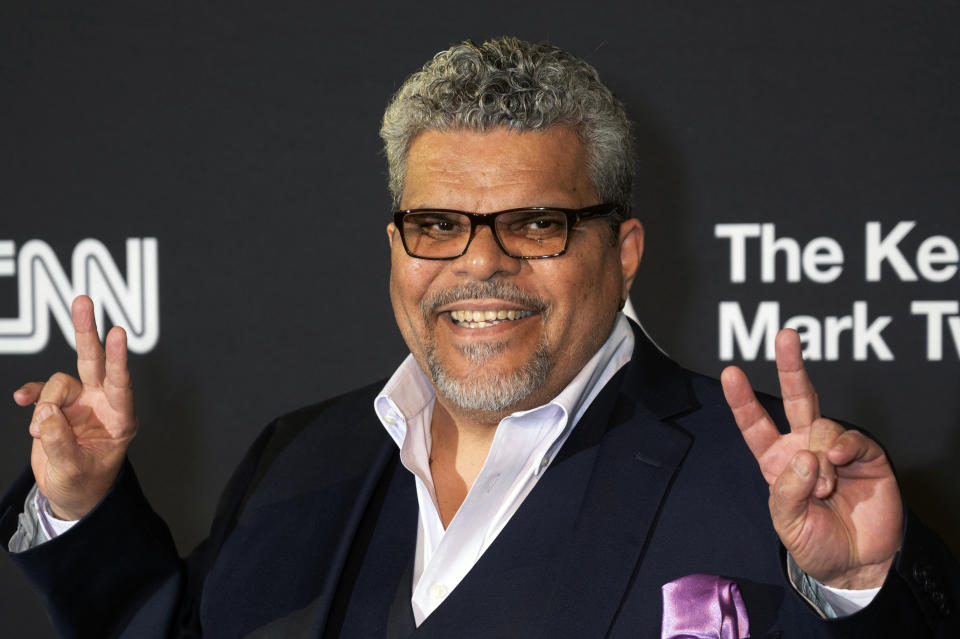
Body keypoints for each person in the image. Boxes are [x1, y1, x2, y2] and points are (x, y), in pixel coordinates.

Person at [2, 36, 957, 638]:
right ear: (396, 244)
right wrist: (83, 510)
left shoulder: (765, 479)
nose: (479, 264)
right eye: (439, 224)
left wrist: (865, 587)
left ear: (623, 250)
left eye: (536, 223)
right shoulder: (302, 456)